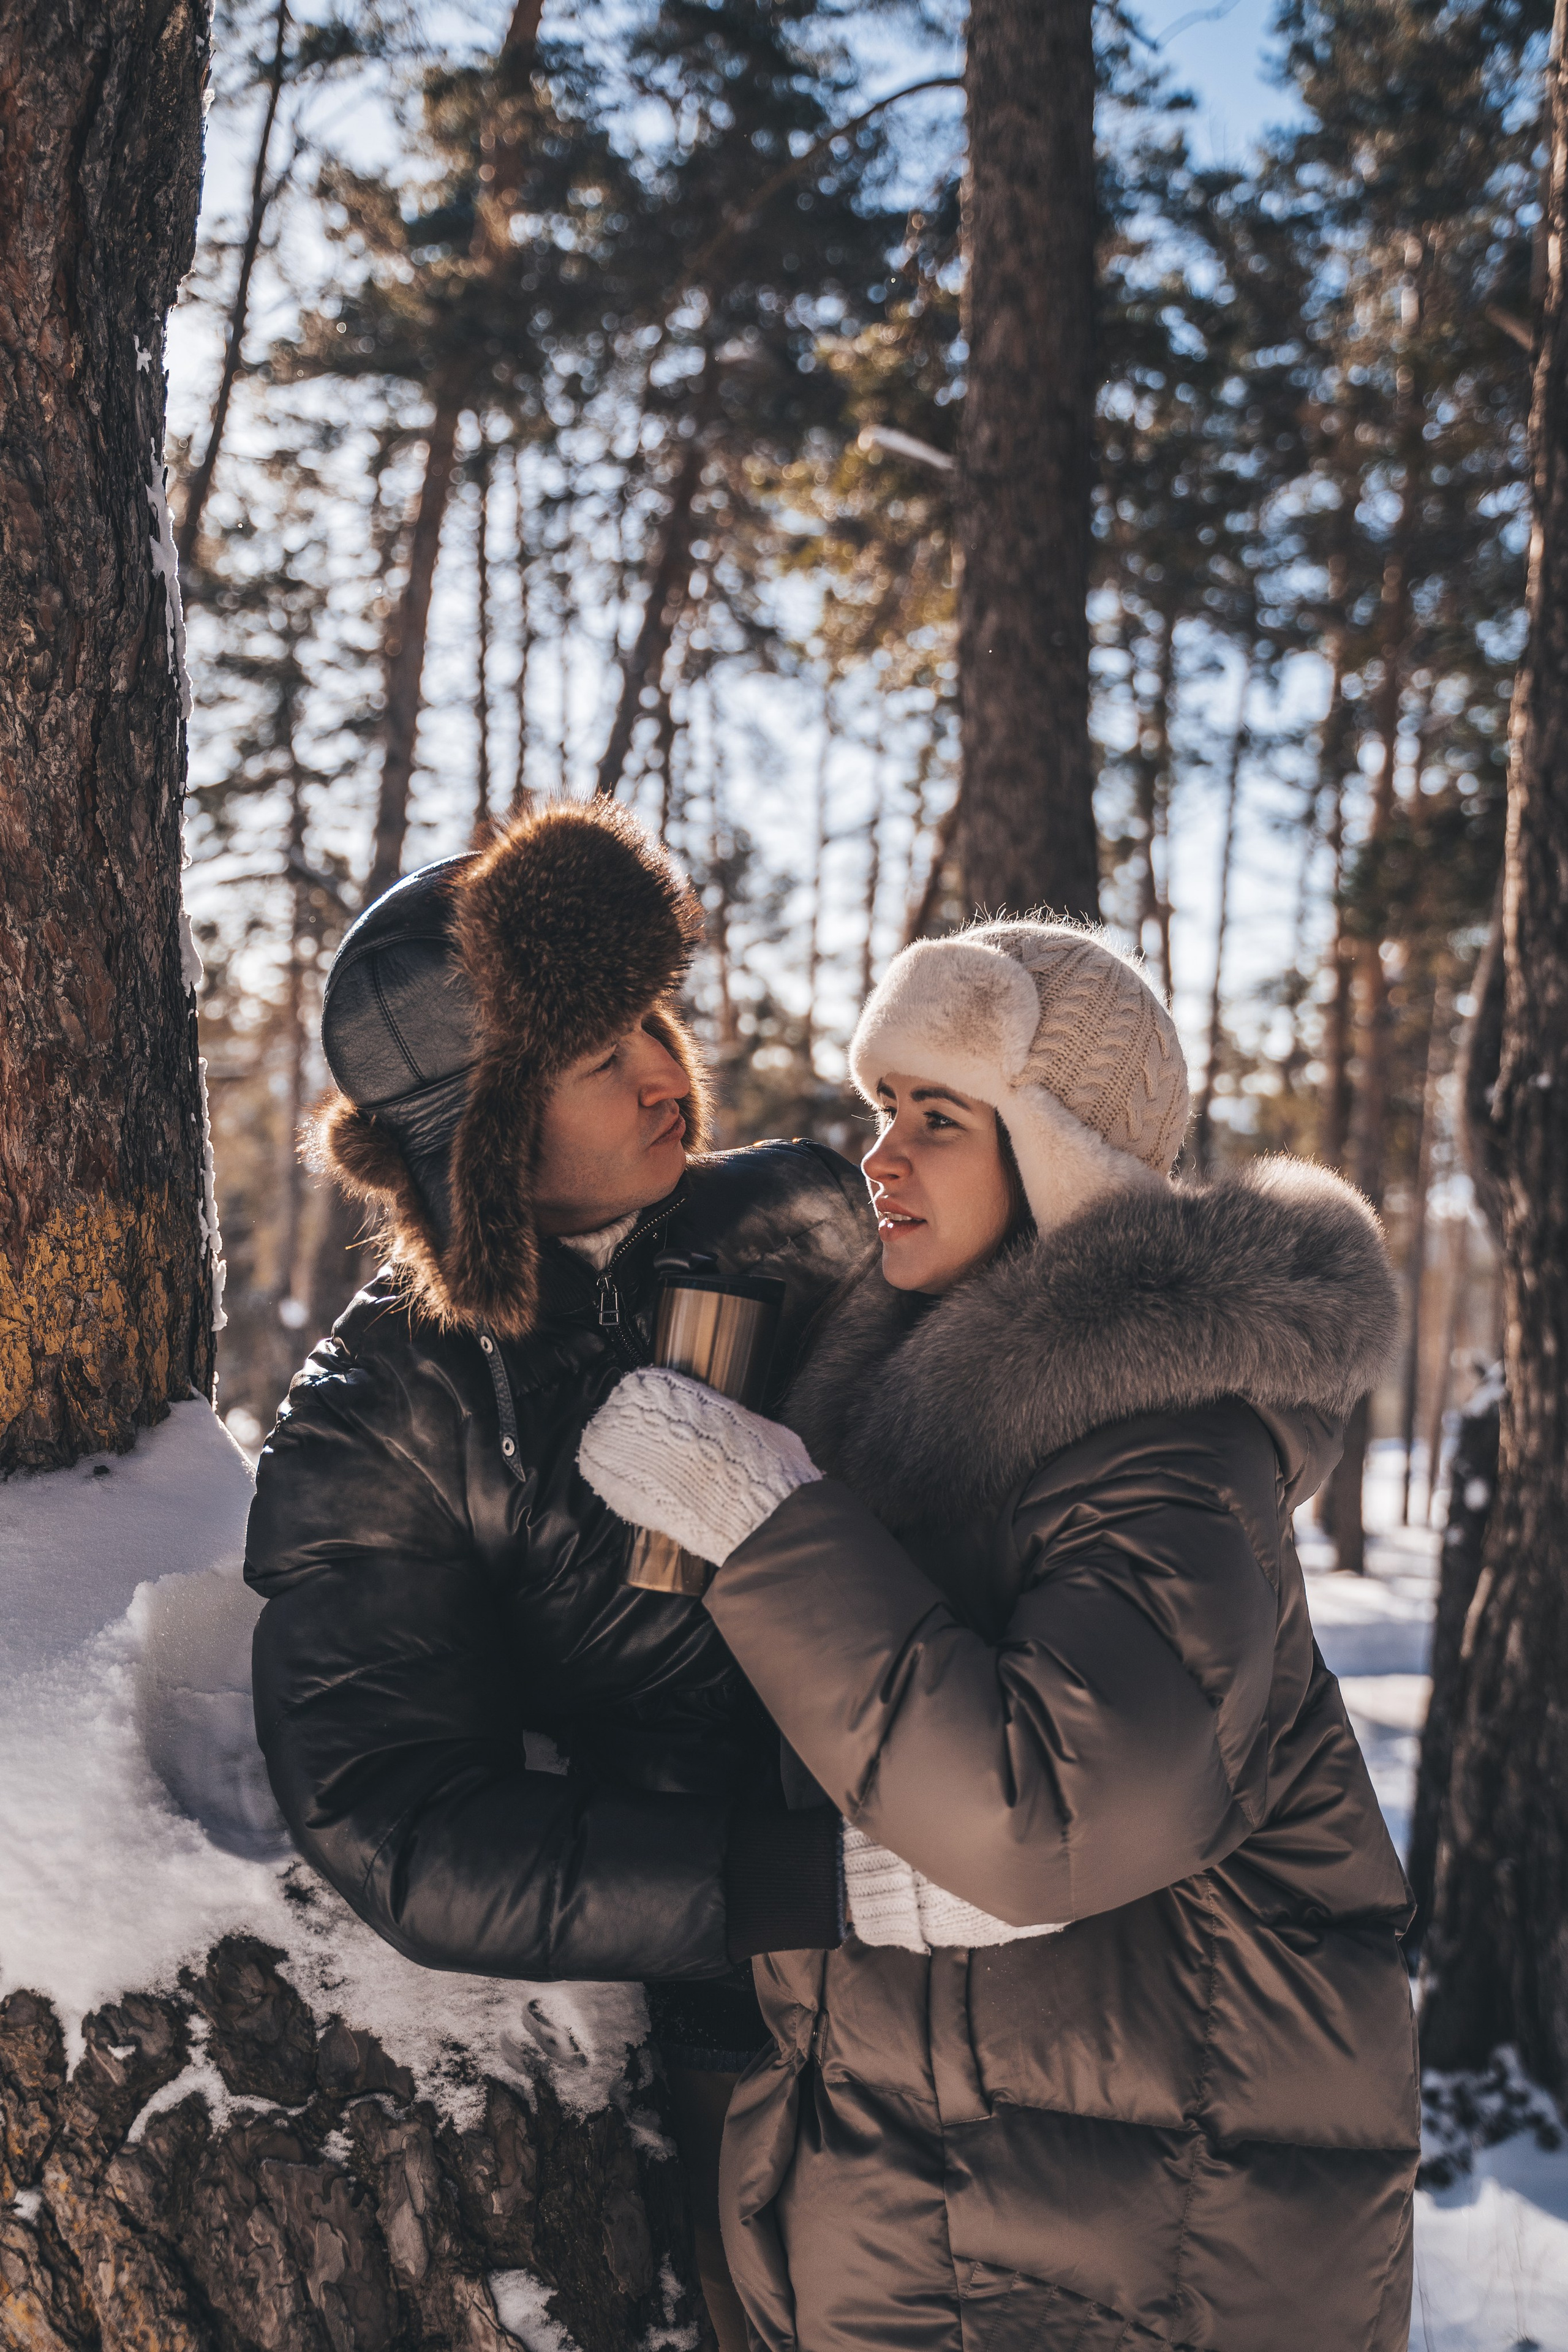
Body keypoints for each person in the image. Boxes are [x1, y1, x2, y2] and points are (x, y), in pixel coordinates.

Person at [579, 919, 1420, 2352]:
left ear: (1057, 1149)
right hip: (983, 2226)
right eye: (882, 1111)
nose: (881, 1158)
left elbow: (1041, 1817)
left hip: (1137, 2262)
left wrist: (769, 1524)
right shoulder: (933, 1432)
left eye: (939, 1119)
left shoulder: (1164, 1455)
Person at [243, 799, 873, 2351]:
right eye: (602, 1057)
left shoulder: (804, 1221)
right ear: (487, 1128)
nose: (670, 1072)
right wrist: (792, 1889)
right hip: (750, 2038)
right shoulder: (391, 1407)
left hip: (1009, 1917)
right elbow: (397, 1818)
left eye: (651, 1021)